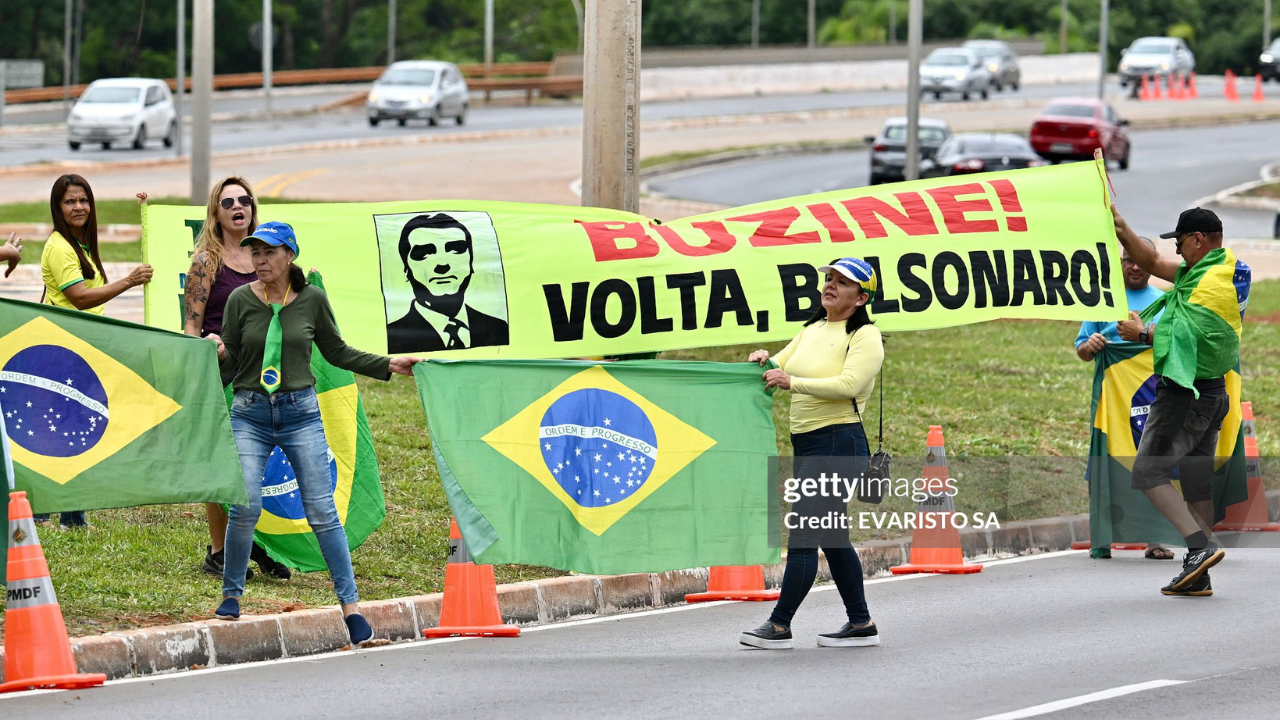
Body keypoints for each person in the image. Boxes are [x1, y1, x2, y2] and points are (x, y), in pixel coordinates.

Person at [211, 221, 421, 642]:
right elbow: (232, 362)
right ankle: (232, 594)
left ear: (290, 256)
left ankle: (352, 609)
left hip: (299, 412)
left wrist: (385, 365)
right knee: (245, 504)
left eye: (269, 252)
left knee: (323, 511)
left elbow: (337, 351)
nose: (260, 260)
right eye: (255, 253)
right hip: (249, 411)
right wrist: (217, 353)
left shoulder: (311, 300)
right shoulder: (239, 300)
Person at [739, 257, 883, 650]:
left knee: (804, 535)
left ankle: (780, 625)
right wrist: (763, 361)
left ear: (861, 297)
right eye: (830, 278)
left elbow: (850, 384)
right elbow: (779, 366)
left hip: (839, 443)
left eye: (843, 282)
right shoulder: (813, 329)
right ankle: (861, 623)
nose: (831, 285)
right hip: (809, 444)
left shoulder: (866, 335)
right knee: (833, 538)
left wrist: (791, 382)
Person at [1113, 206, 1251, 597]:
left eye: (1180, 242)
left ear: (1198, 239)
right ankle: (1199, 575)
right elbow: (1153, 261)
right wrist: (1122, 227)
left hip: (1184, 394)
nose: (1177, 249)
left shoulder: (1209, 285)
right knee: (1196, 486)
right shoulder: (1224, 269)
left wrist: (1141, 333)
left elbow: (1186, 338)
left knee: (1147, 471)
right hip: (1213, 395)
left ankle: (1198, 548)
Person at [180, 177, 291, 581]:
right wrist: (204, 354)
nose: (237, 206)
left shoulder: (268, 256)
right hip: (222, 371)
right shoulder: (206, 261)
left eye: (244, 200)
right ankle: (222, 549)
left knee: (266, 458)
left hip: (268, 371)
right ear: (216, 213)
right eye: (228, 202)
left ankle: (265, 542)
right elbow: (190, 327)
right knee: (224, 460)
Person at [36, 175, 152, 530]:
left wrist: (145, 213)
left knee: (74, 431)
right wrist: (129, 281)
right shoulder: (60, 247)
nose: (79, 207)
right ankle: (44, 511)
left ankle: (70, 515)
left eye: (84, 200)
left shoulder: (80, 245)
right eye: (70, 202)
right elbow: (80, 299)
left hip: (80, 350)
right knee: (60, 432)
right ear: (58, 208)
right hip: (63, 353)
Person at [1074, 237, 1173, 560]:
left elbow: (1174, 347)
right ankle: (1102, 538)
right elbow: (1082, 352)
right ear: (1119, 263)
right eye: (1127, 260)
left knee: (1155, 462)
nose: (1134, 266)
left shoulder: (1164, 301)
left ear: (1150, 261)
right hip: (1110, 401)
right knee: (1106, 461)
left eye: (1139, 260)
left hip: (1153, 398)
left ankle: (1155, 537)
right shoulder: (1103, 303)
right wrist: (1091, 345)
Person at [385, 212, 509, 353]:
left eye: (456, 250)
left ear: (471, 261)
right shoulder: (392, 336)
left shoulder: (498, 328)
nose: (443, 264)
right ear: (406, 267)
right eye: (425, 253)